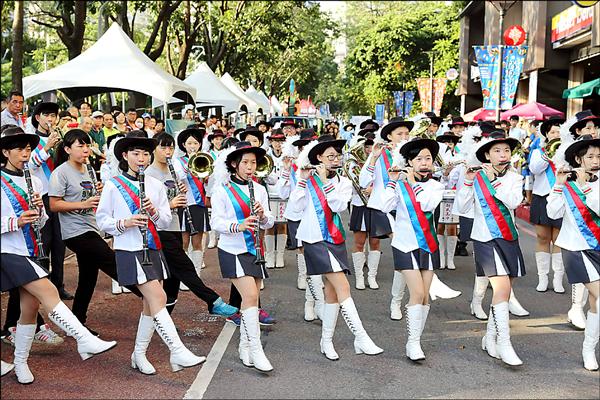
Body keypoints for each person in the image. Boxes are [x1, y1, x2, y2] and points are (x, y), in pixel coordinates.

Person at [1, 126, 117, 384]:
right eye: (19, 149)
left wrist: (36, 212)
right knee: (49, 291)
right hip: (7, 250)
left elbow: (42, 220)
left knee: (29, 308)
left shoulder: (35, 179)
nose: (25, 154)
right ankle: (83, 339)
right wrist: (15, 221)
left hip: (29, 249)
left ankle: (20, 362)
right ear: (5, 152)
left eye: (28, 149)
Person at [96, 131, 205, 374]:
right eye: (136, 154)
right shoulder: (114, 185)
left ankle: (139, 354)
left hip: (153, 248)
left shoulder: (155, 185)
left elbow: (166, 221)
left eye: (145, 153)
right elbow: (102, 220)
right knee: (159, 297)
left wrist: (153, 211)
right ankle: (177, 351)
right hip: (128, 249)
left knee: (149, 303)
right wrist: (125, 223)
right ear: (125, 155)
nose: (142, 158)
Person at [290, 134, 383, 361]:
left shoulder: (343, 181)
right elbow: (293, 209)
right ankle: (360, 337)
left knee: (332, 294)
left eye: (337, 155)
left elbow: (339, 206)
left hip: (335, 239)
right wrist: (303, 180)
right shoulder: (308, 180)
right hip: (314, 240)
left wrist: (325, 183)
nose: (335, 159)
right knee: (343, 288)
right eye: (330, 156)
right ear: (319, 158)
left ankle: (326, 341)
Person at [48, 129, 141, 336]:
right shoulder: (60, 172)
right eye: (80, 146)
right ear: (67, 149)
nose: (85, 150)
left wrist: (97, 191)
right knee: (112, 262)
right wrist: (83, 202)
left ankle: (77, 324)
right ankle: (150, 297)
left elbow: (92, 197)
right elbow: (54, 205)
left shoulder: (89, 168)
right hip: (75, 232)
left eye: (87, 145)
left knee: (88, 278)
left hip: (92, 226)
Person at [145, 132, 237, 318]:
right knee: (184, 267)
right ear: (154, 149)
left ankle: (163, 319)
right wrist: (170, 204)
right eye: (163, 147)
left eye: (170, 147)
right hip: (159, 229)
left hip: (174, 224)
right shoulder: (149, 174)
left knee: (172, 277)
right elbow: (146, 206)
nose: (167, 151)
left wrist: (182, 193)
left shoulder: (173, 170)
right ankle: (213, 301)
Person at [455, 133, 526, 366]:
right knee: (502, 288)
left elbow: (514, 202)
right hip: (485, 239)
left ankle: (490, 336)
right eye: (497, 151)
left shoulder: (515, 178)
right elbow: (462, 207)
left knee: (503, 292)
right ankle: (505, 343)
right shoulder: (476, 177)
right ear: (486, 155)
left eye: (506, 150)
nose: (503, 155)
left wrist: (494, 181)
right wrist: (467, 181)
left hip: (509, 237)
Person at [211, 141, 275, 372]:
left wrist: (262, 215)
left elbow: (269, 220)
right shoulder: (222, 189)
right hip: (233, 249)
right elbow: (215, 222)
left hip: (255, 248)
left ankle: (244, 346)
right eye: (245, 162)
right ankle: (256, 350)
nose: (250, 167)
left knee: (252, 298)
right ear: (234, 164)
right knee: (249, 296)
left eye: (254, 162)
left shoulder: (259, 189)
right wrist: (238, 225)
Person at [381, 137, 444, 361]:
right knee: (417, 293)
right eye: (419, 159)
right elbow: (384, 206)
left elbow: (426, 205)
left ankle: (416, 338)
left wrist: (411, 185)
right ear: (410, 162)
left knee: (425, 296)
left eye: (428, 158)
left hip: (427, 244)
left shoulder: (437, 186)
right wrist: (392, 181)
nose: (424, 162)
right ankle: (413, 343)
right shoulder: (399, 184)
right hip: (404, 244)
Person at [547, 135, 600, 371]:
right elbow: (553, 213)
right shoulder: (566, 184)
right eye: (590, 157)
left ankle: (589, 348)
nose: (596, 161)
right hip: (575, 248)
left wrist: (585, 186)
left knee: (595, 300)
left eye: (599, 156)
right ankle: (589, 349)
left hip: (597, 245)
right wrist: (559, 185)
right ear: (578, 159)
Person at [28, 102, 70, 300]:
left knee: (60, 243)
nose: (51, 120)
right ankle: (43, 286)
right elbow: (29, 164)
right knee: (44, 241)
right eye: (47, 115)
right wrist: (47, 147)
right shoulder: (32, 140)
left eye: (54, 116)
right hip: (42, 196)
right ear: (38, 118)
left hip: (59, 195)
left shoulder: (60, 138)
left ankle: (58, 285)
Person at [529, 117, 566, 294]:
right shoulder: (538, 151)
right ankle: (542, 278)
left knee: (559, 239)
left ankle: (557, 278)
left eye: (559, 132)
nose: (556, 135)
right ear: (546, 134)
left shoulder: (568, 152)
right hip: (542, 196)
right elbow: (535, 169)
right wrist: (549, 153)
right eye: (553, 132)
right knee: (543, 238)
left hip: (561, 197)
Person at [175, 128, 210, 274]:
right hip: (183, 203)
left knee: (197, 242)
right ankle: (185, 273)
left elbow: (210, 183)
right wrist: (190, 163)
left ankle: (196, 272)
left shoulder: (206, 159)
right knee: (183, 242)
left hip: (198, 204)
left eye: (195, 143)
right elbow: (179, 177)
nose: (192, 146)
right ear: (183, 144)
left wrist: (207, 178)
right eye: (189, 143)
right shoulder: (178, 161)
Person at [347, 133, 378, 290]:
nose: (367, 150)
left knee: (375, 242)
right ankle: (360, 276)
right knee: (359, 242)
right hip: (360, 205)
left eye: (370, 147)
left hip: (376, 205)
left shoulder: (379, 162)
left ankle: (372, 276)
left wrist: (375, 189)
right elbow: (351, 185)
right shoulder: (353, 165)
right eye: (366, 147)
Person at [435, 132, 461, 270]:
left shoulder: (458, 158)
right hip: (437, 196)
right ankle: (441, 257)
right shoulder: (433, 160)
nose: (447, 145)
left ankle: (450, 259)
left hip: (452, 196)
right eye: (445, 143)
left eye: (450, 143)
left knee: (452, 227)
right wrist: (444, 173)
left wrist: (448, 174)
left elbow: (453, 182)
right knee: (439, 226)